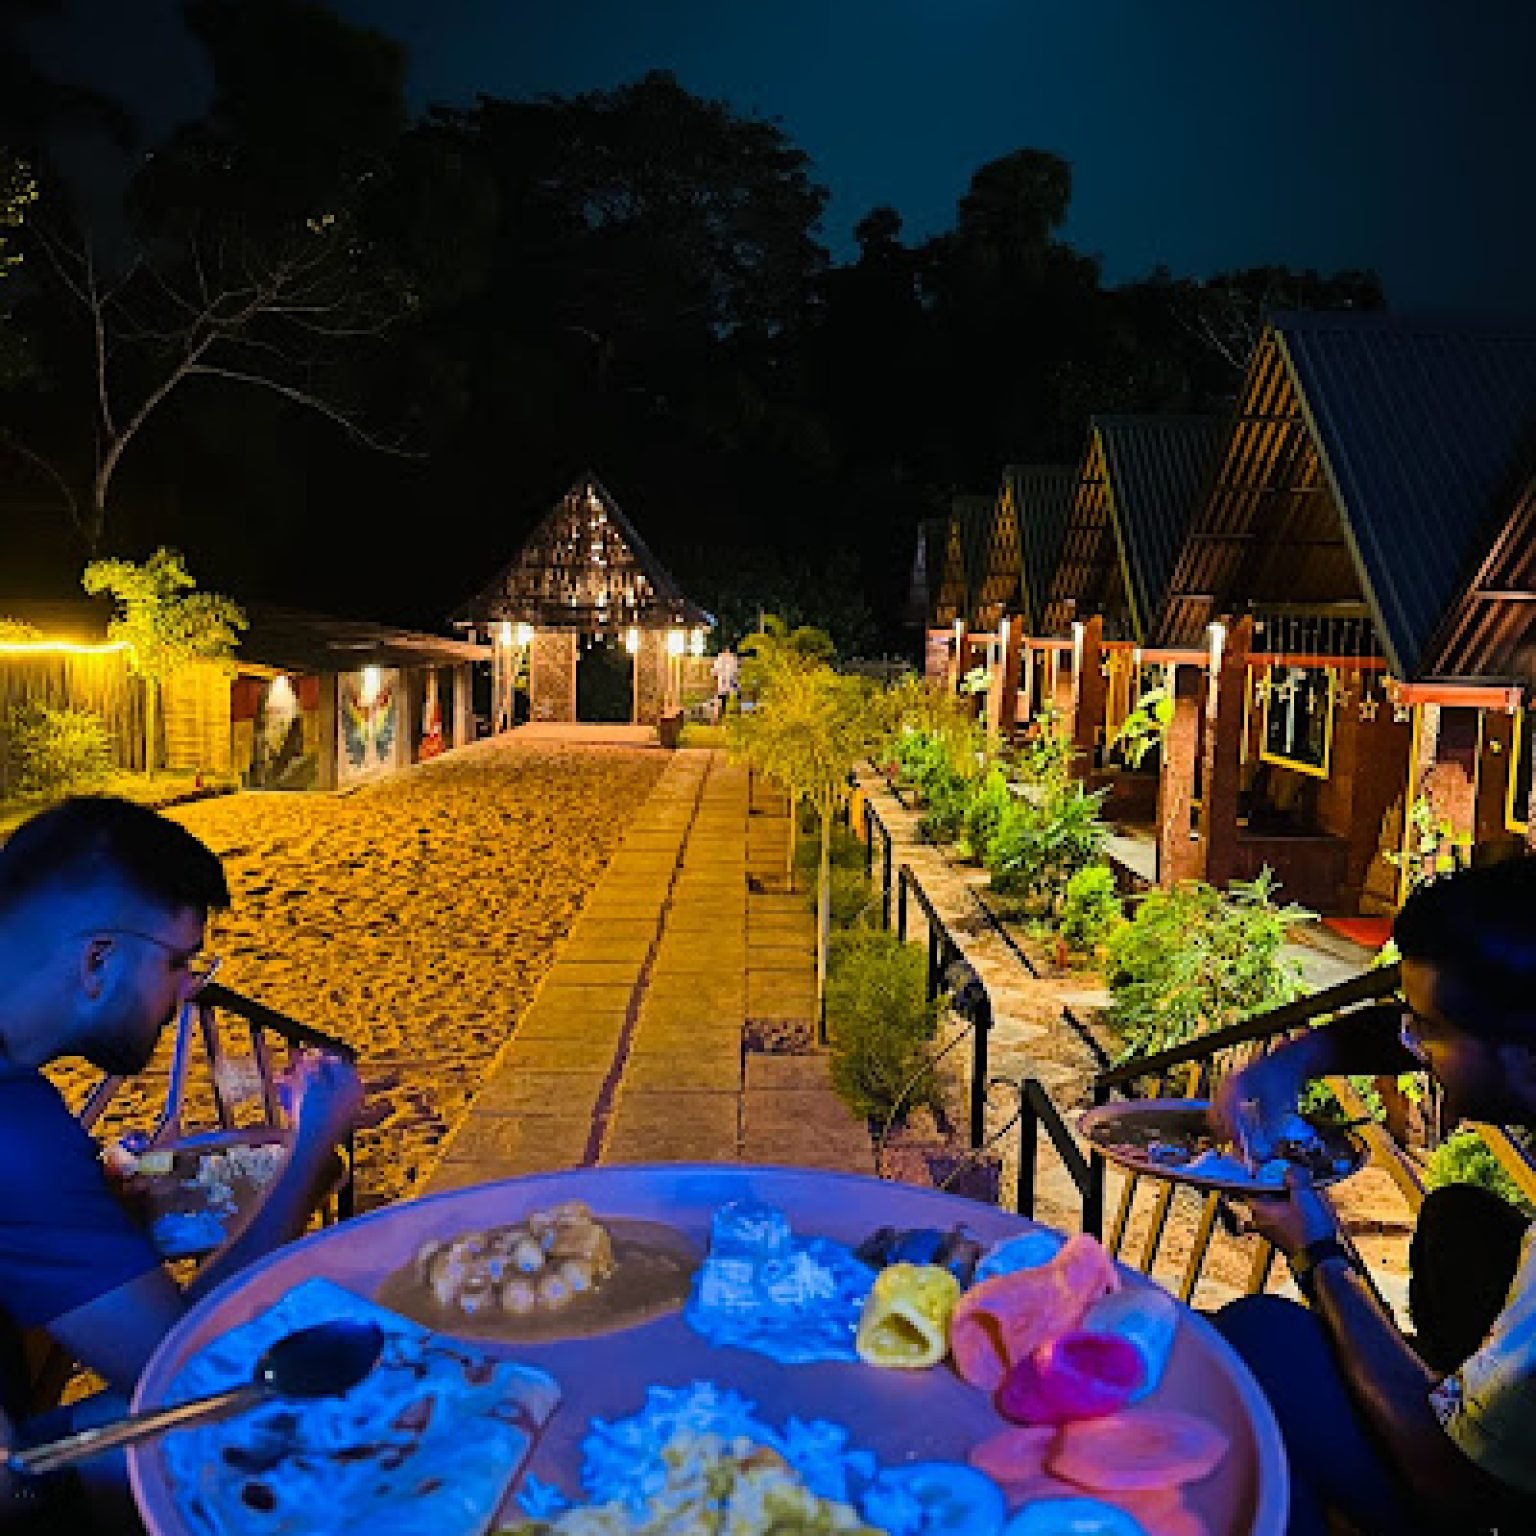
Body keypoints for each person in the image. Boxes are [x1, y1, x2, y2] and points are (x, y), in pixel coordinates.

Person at [0, 796, 363, 1525]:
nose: (189, 990)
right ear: (98, 958)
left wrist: (92, 1208)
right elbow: (186, 1370)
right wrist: (309, 1151)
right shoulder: (19, 1135)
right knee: (276, 1414)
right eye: (177, 962)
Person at [1212, 858, 1536, 1535]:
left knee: (1258, 1338)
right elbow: (1418, 1026)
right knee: (1460, 1224)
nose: (1412, 1045)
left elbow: (1452, 1486)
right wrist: (1292, 1062)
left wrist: (1320, 1252)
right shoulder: (1517, 1025)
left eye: (1427, 1029)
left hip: (1469, 1497)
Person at [712, 646, 740, 722]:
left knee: (722, 698)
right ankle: (719, 716)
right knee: (724, 698)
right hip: (727, 681)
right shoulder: (731, 658)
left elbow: (715, 672)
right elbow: (736, 671)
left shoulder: (722, 658)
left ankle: (719, 716)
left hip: (726, 681)